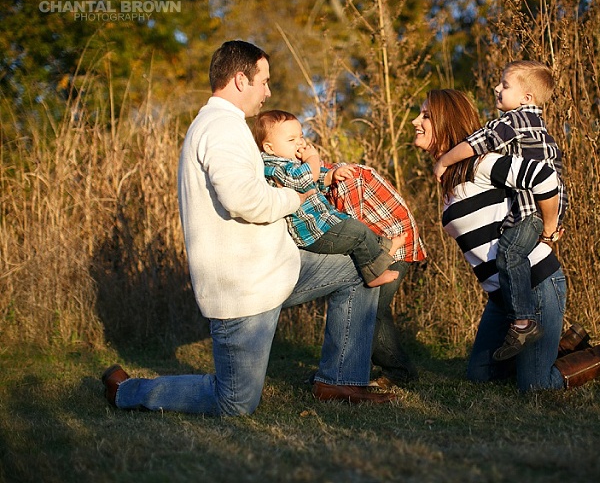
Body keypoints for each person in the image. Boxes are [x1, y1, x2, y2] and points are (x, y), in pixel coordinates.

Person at [100, 40, 396, 415]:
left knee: (358, 269)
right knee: (235, 401)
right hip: (241, 288)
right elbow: (244, 200)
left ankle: (338, 381)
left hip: (275, 270)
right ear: (241, 79)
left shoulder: (229, 126)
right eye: (264, 81)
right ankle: (128, 391)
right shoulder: (220, 128)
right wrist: (296, 199)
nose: (268, 92)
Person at [413, 88, 600, 391]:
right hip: (502, 297)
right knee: (480, 375)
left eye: (426, 115)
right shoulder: (452, 177)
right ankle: (563, 347)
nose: (416, 121)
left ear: (446, 120)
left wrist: (549, 228)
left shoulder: (482, 164)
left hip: (534, 283)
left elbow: (545, 177)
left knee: (536, 387)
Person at [433, 62, 569, 363]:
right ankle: (565, 344)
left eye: (505, 85)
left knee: (509, 252)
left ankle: (526, 325)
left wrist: (444, 160)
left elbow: (479, 143)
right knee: (481, 376)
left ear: (527, 98)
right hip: (506, 282)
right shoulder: (532, 125)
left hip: (536, 256)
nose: (497, 88)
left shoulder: (511, 123)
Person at [252, 109, 405, 288]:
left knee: (357, 227)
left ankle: (384, 249)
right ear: (269, 147)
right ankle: (373, 273)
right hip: (312, 232)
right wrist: (312, 158)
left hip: (324, 222)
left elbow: (315, 180)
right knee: (356, 231)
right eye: (291, 140)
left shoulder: (291, 162)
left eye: (301, 137)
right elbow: (305, 179)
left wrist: (331, 176)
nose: (300, 143)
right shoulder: (274, 168)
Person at [324, 163, 427, 387]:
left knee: (368, 312)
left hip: (394, 245)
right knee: (373, 311)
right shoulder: (325, 187)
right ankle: (395, 371)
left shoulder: (343, 179)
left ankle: (348, 376)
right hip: (379, 245)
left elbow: (353, 230)